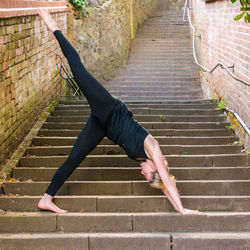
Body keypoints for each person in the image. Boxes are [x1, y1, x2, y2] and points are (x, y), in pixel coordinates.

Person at [37, 9, 203, 215]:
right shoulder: (152, 147)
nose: (143, 175)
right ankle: (52, 25)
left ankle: (46, 198)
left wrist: (177, 206)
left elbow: (164, 186)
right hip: (109, 108)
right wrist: (183, 210)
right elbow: (166, 179)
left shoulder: (144, 159)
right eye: (148, 175)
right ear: (155, 169)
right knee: (78, 68)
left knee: (75, 157)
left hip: (102, 125)